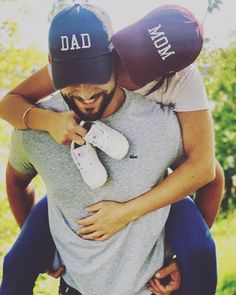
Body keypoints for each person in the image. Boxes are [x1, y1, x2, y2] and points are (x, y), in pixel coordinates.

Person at [0, 3, 222, 295]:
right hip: (76, 184)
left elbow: (204, 168)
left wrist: (166, 244)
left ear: (169, 72)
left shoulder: (182, 82)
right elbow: (9, 103)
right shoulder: (90, 55)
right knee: (16, 262)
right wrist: (48, 121)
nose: (126, 69)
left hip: (153, 178)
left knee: (200, 251)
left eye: (140, 68)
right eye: (126, 53)